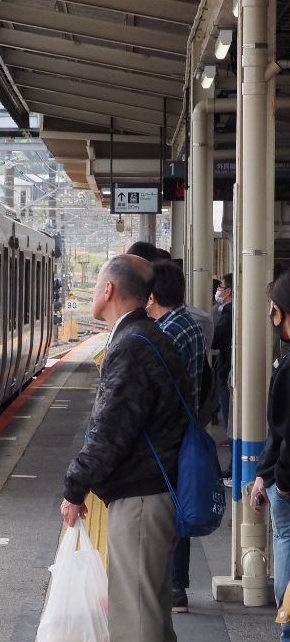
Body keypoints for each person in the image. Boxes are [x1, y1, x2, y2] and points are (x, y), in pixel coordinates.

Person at [62, 254, 189, 642]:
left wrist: (75, 487)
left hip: (139, 496)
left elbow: (110, 429)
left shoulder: (132, 346)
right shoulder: (152, 338)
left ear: (111, 290)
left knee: (135, 614)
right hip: (155, 490)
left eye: (96, 283)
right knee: (153, 612)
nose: (93, 291)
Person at [145, 259, 205, 614]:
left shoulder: (166, 333)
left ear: (152, 296)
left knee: (171, 512)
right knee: (177, 510)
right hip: (187, 429)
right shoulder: (188, 323)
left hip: (171, 436)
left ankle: (175, 586)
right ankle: (177, 585)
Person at [248, 270, 290, 642]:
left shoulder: (288, 364)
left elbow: (282, 433)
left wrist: (278, 485)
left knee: (288, 611)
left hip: (289, 503)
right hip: (280, 487)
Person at [213, 274, 234, 434]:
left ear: (228, 291)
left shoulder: (228, 314)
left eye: (221, 287)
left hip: (227, 364)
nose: (218, 290)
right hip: (229, 363)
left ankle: (230, 433)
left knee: (227, 398)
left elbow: (217, 340)